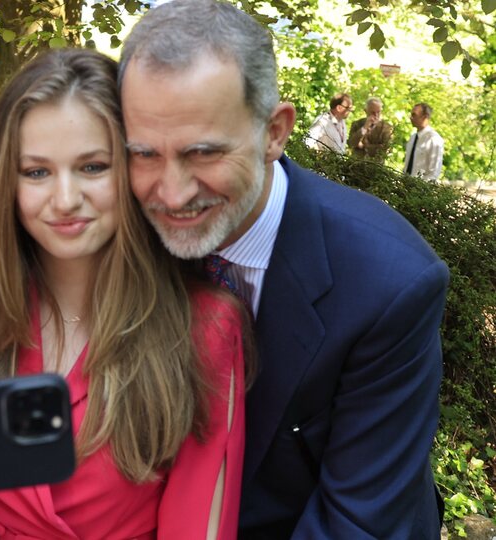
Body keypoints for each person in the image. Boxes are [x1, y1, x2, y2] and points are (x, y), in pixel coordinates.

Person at [119, 1, 449, 538]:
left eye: (203, 153)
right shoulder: (121, 236)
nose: (171, 193)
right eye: (145, 154)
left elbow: (357, 523)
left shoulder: (388, 283)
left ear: (275, 131)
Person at [0, 48, 246, 540]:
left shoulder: (204, 329)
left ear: (131, 169)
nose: (64, 200)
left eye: (92, 167)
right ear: (9, 182)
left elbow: (197, 528)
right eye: (37, 172)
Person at [403, 102, 445, 181]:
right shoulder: (412, 138)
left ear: (424, 117)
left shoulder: (434, 139)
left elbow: (434, 173)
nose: (411, 117)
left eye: (414, 115)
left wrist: (419, 187)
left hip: (420, 188)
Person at [347, 97, 394, 163]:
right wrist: (364, 128)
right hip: (355, 166)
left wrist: (365, 146)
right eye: (373, 112)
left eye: (378, 112)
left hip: (376, 168)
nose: (376, 115)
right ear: (366, 111)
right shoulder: (357, 124)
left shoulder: (387, 128)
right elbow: (351, 144)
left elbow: (386, 149)